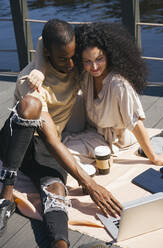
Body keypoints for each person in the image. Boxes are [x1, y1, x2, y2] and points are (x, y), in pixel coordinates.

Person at [0, 19, 122, 248]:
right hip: (18, 138)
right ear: (47, 53)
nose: (69, 64)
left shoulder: (75, 63)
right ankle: (5, 194)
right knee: (31, 105)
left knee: (56, 190)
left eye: (72, 57)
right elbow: (52, 139)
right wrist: (90, 184)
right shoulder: (31, 80)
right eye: (62, 59)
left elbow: (45, 38)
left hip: (42, 149)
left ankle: (61, 245)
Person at [29, 22, 163, 166]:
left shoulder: (119, 85)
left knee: (63, 157)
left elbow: (136, 123)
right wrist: (39, 70)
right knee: (54, 143)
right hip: (91, 128)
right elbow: (42, 40)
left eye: (99, 59)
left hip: (111, 140)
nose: (94, 67)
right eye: (87, 61)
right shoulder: (86, 74)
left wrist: (154, 158)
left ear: (109, 55)